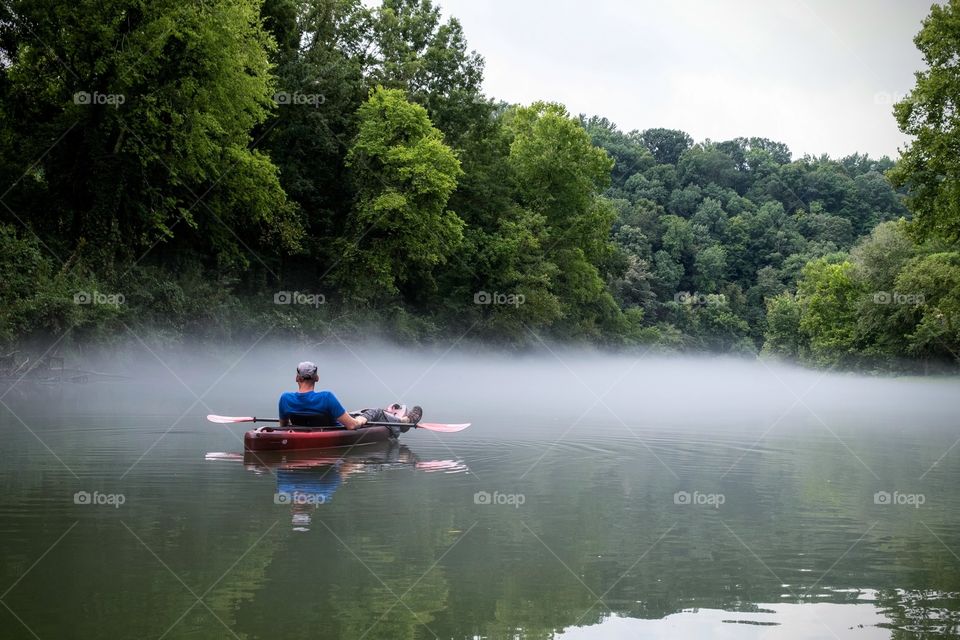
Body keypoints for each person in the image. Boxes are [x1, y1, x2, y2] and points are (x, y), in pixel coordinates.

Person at [278, 361, 422, 434]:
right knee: (375, 412)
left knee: (359, 412)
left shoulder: (285, 398)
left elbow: (284, 427)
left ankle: (372, 415)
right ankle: (404, 421)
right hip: (335, 430)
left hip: (322, 425)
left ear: (297, 378)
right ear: (317, 378)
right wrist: (360, 420)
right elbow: (352, 426)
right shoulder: (326, 397)